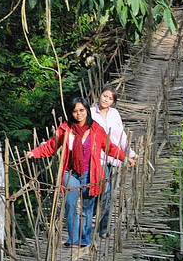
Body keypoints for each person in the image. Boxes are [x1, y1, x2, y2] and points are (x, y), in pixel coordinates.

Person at [26, 96, 125, 247]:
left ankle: (85, 239)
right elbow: (51, 145)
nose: (78, 114)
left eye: (81, 110)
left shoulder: (96, 129)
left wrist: (125, 157)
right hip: (69, 172)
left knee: (87, 207)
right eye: (75, 111)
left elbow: (109, 147)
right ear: (70, 113)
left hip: (89, 172)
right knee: (70, 204)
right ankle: (73, 239)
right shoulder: (65, 129)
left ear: (87, 111)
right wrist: (35, 152)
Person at [92, 85, 138, 237]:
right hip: (98, 158)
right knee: (103, 192)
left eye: (110, 98)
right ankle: (94, 216)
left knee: (109, 194)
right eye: (104, 96)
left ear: (113, 101)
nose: (106, 100)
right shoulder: (90, 113)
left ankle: (103, 228)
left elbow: (122, 136)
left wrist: (130, 153)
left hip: (115, 157)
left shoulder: (115, 114)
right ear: (99, 95)